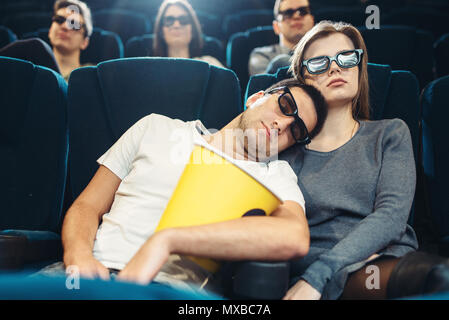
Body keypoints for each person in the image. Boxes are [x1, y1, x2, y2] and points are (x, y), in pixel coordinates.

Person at [52, 78, 328, 294]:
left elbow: (294, 235)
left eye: (298, 131)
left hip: (169, 290)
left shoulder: (275, 174)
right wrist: (78, 256)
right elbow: (87, 205)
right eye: (286, 106)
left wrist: (167, 240)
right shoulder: (155, 127)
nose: (284, 125)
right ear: (256, 98)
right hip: (86, 274)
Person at [283, 20, 449, 300]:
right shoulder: (288, 152)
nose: (335, 68)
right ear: (304, 78)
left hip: (381, 262)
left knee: (439, 278)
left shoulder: (390, 133)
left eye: (347, 58)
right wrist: (319, 274)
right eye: (319, 63)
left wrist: (322, 271)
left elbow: (391, 217)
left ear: (359, 68)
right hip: (316, 279)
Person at [248, 0, 314, 76]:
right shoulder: (261, 55)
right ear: (276, 27)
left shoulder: (323, 51)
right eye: (288, 13)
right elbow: (263, 85)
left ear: (312, 20)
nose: (296, 16)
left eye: (303, 11)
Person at [153, 0, 224, 68]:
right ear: (161, 30)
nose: (176, 25)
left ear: (192, 29)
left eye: (183, 19)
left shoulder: (209, 64)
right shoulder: (152, 67)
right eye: (169, 20)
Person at [48, 0, 93, 82]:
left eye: (73, 24)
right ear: (50, 31)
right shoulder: (34, 72)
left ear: (85, 42)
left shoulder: (94, 75)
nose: (64, 27)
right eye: (59, 20)